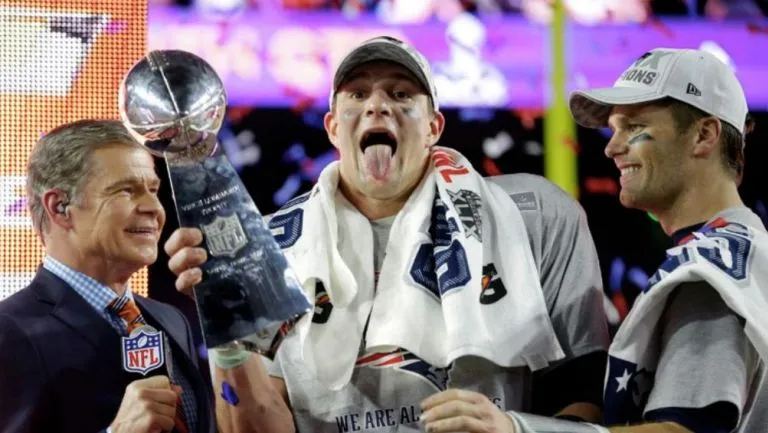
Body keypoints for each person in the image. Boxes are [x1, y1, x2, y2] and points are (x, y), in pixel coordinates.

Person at [165, 36, 610, 433]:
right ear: (334, 128)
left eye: (400, 94)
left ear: (434, 126)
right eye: (357, 94)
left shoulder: (531, 214)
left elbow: (581, 388)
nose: (377, 106)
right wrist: (224, 326)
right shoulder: (267, 248)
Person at [504, 48, 768, 433]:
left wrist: (516, 430)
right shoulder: (739, 248)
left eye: (634, 127)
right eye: (614, 129)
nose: (611, 147)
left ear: (703, 135)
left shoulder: (711, 270)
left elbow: (685, 430)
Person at [0, 119, 216, 433]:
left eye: (153, 190)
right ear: (60, 207)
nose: (153, 208)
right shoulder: (9, 332)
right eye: (126, 191)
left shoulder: (171, 321)